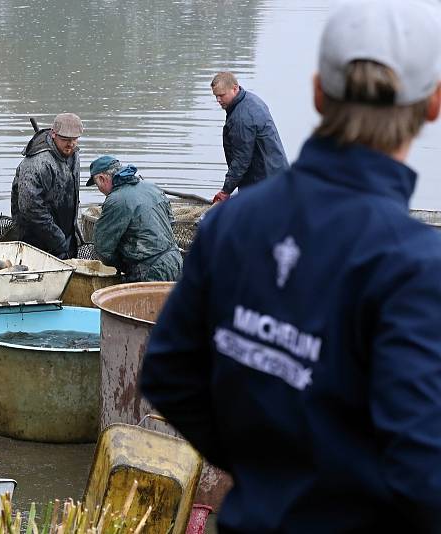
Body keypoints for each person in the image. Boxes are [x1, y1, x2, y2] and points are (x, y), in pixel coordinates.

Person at [140, 1, 441, 532]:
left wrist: (265, 467)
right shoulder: (417, 266)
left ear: (319, 93)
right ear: (433, 103)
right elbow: (421, 466)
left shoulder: (228, 227)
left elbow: (168, 375)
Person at [89, 156, 182, 282]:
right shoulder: (152, 187)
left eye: (97, 185)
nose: (99, 190)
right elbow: (171, 222)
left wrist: (123, 266)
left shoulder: (115, 200)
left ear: (101, 178)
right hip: (175, 261)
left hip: (150, 271)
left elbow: (102, 249)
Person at [11, 113, 83, 259]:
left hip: (64, 231)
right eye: (65, 140)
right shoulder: (37, 163)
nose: (70, 144)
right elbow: (29, 208)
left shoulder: (73, 154)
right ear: (53, 134)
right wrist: (56, 238)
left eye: (74, 139)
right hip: (35, 238)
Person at [210, 71, 288, 204]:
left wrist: (225, 191)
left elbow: (241, 160)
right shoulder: (251, 100)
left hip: (262, 183)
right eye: (216, 96)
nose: (218, 100)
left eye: (221, 95)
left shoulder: (242, 118)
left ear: (235, 89)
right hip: (277, 174)